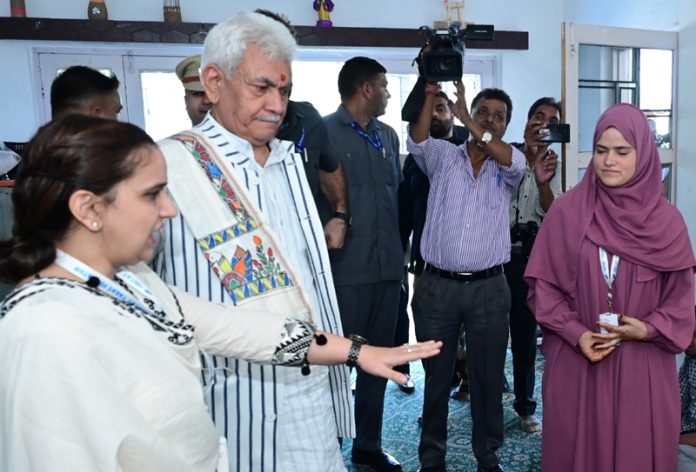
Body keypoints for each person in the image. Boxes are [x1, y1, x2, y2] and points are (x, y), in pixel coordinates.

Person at [0, 114, 442, 471]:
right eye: (153, 194)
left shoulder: (131, 280)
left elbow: (243, 330)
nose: (169, 209)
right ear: (89, 208)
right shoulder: (45, 331)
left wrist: (360, 354)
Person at [155, 12, 354, 471]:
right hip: (232, 407)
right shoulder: (168, 165)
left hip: (312, 389)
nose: (276, 104)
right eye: (260, 87)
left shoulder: (287, 160)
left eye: (283, 90)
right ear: (213, 82)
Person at [525, 103, 696, 472]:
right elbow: (544, 289)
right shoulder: (567, 211)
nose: (609, 161)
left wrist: (648, 328)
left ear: (644, 154)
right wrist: (576, 333)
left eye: (622, 151)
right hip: (578, 362)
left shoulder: (667, 223)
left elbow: (681, 303)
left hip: (642, 368)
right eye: (601, 150)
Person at [407, 82, 525, 472]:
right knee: (437, 375)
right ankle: (431, 457)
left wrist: (470, 124)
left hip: (489, 289)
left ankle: (487, 454)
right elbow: (418, 137)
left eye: (499, 116)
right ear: (470, 109)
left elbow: (510, 159)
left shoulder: (510, 165)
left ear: (505, 126)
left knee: (488, 375)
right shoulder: (442, 156)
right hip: (437, 287)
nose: (491, 119)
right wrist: (429, 92)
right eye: (484, 111)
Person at [323, 57, 404, 472]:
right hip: (345, 273)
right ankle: (327, 449)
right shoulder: (323, 135)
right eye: (385, 86)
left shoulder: (388, 136)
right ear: (367, 88)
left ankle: (367, 447)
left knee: (378, 362)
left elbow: (399, 201)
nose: (389, 94)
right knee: (336, 364)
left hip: (388, 272)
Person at [253, 9, 350, 251]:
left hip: (304, 250)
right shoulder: (226, 131)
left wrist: (340, 216)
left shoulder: (308, 118)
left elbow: (330, 166)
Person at [397, 88, 469, 395]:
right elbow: (406, 207)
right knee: (430, 332)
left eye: (440, 108)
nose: (435, 115)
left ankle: (467, 378)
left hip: (466, 262)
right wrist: (402, 246)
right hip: (426, 264)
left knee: (465, 333)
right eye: (429, 111)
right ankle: (438, 389)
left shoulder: (470, 150)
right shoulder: (415, 159)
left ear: (452, 111)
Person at [505, 97, 562, 433]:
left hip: (529, 260)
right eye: (538, 116)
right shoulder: (505, 155)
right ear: (527, 122)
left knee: (525, 339)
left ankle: (526, 406)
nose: (543, 123)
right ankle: (481, 390)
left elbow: (553, 213)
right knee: (490, 338)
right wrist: (524, 158)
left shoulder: (552, 163)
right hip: (495, 256)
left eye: (550, 120)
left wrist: (542, 182)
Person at [50, 65, 122, 119]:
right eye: (116, 113)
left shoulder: (42, 138)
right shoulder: (123, 137)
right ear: (97, 116)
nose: (118, 122)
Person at [175, 54, 213, 127]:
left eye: (213, 93)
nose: (207, 101)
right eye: (198, 94)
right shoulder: (177, 138)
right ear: (186, 101)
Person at [680, 330, 696, 472]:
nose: (690, 341)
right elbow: (678, 404)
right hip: (686, 433)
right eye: (688, 333)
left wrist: (670, 441)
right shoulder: (689, 362)